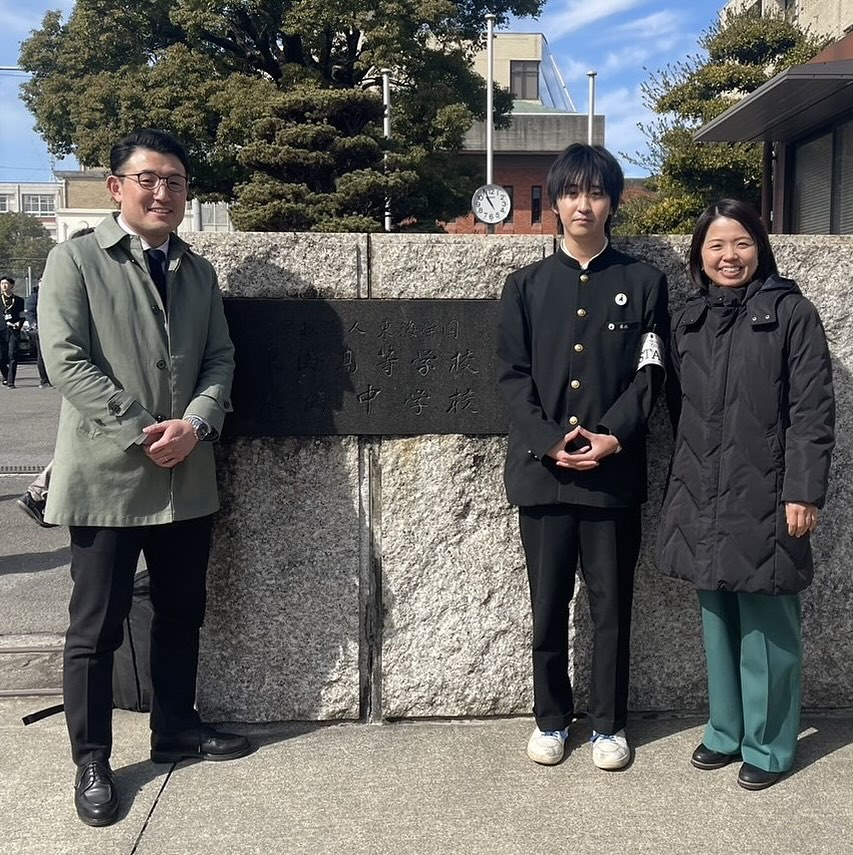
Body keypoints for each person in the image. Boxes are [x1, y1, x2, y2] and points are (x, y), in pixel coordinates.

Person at [39, 128, 250, 828]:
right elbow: (65, 359)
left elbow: (219, 356)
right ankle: (93, 756)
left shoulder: (197, 271)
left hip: (186, 473)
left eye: (177, 181)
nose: (164, 192)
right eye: (149, 178)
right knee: (95, 627)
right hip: (107, 476)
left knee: (181, 610)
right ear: (117, 187)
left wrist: (195, 420)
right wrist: (141, 427)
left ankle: (176, 726)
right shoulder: (74, 262)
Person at [496, 143, 669, 770]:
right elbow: (512, 377)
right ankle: (550, 717)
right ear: (554, 201)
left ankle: (608, 725)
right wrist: (548, 440)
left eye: (596, 193)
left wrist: (613, 436)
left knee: (610, 607)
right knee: (547, 605)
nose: (582, 205)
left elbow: (651, 371)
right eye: (571, 192)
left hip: (612, 475)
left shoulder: (644, 283)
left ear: (614, 202)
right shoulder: (526, 286)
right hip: (542, 476)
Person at [656, 199, 834, 791]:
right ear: (698, 255)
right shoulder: (687, 320)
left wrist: (803, 491)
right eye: (715, 245)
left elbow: (811, 411)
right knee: (716, 614)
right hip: (702, 488)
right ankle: (725, 730)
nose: (729, 257)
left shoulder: (792, 314)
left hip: (769, 490)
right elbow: (677, 405)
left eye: (741, 244)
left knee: (767, 615)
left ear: (760, 247)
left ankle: (771, 742)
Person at [23, 283, 52, 387]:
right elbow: (30, 313)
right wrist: (36, 325)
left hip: (54, 328)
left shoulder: (53, 292)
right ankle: (44, 379)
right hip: (40, 329)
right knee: (42, 354)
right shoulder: (35, 296)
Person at [1, 274, 25, 388]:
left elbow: (22, 315)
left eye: (6, 283)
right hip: (1, 330)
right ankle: (5, 375)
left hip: (13, 331)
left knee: (12, 355)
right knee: (1, 357)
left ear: (11, 285)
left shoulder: (19, 300)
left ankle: (11, 381)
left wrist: (19, 324)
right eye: (2, 284)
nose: (4, 286)